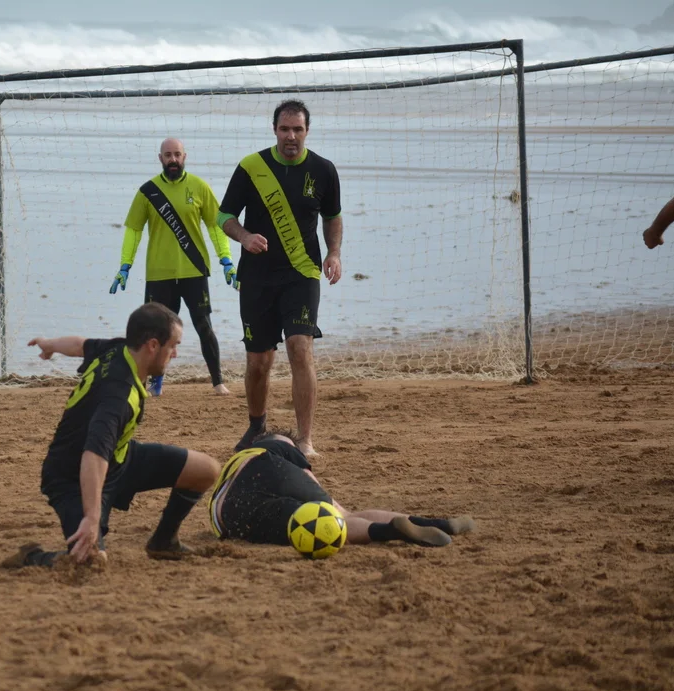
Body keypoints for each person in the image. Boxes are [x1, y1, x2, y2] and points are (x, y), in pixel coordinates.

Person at [7, 302, 221, 568]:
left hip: (118, 459)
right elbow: (93, 455)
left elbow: (79, 345)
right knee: (90, 562)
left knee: (206, 470)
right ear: (153, 345)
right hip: (72, 476)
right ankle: (32, 557)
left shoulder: (119, 348)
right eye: (173, 346)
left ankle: (164, 542)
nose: (175, 354)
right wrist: (92, 518)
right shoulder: (118, 397)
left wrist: (50, 344)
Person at [218, 99, 343, 457]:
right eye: (285, 129)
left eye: (297, 129)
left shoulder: (323, 170)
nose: (291, 136)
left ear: (307, 131)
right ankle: (257, 425)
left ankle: (305, 439)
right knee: (259, 363)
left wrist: (333, 253)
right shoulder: (251, 167)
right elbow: (224, 216)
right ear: (274, 130)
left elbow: (332, 217)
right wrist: (244, 237)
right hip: (257, 277)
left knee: (300, 348)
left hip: (302, 274)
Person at [110, 137, 237, 397]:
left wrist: (226, 259)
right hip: (159, 273)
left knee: (204, 327)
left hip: (194, 271)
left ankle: (217, 382)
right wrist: (125, 266)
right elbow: (133, 230)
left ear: (184, 156)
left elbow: (215, 226)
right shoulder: (148, 191)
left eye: (177, 154)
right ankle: (153, 384)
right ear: (160, 158)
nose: (173, 160)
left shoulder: (199, 187)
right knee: (154, 333)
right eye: (168, 155)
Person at [208, 429, 476, 549]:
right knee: (340, 515)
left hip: (230, 517)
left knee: (311, 527)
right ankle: (438, 523)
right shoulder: (274, 443)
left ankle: (388, 532)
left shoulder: (233, 466)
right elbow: (303, 475)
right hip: (264, 466)